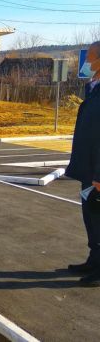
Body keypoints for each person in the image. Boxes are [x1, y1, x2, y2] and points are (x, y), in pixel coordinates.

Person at [66, 40, 100, 287]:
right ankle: (94, 259)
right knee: (90, 216)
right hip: (88, 167)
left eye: (90, 57)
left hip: (97, 171)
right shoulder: (94, 88)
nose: (86, 62)